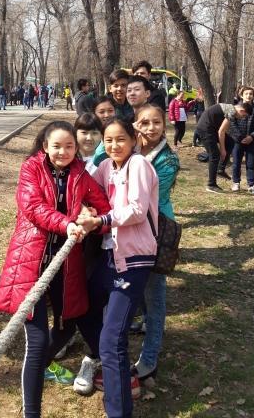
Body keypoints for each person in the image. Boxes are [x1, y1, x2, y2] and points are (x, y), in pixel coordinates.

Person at [0, 121, 110, 418]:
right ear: (45, 146)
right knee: (35, 342)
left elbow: (103, 206)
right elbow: (32, 207)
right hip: (30, 262)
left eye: (69, 146)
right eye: (56, 146)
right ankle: (31, 412)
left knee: (66, 324)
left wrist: (93, 218)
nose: (63, 152)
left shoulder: (81, 174)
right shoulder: (31, 169)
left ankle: (42, 365)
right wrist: (67, 223)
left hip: (66, 265)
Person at [74, 118, 158, 415]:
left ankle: (118, 408)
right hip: (110, 255)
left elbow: (137, 210)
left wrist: (100, 220)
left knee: (112, 341)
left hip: (134, 258)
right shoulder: (106, 167)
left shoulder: (139, 165)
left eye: (120, 139)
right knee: (82, 307)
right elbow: (87, 189)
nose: (114, 145)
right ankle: (117, 369)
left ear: (133, 139)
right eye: (108, 140)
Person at [132, 104, 180, 381]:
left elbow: (144, 196)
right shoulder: (129, 146)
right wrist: (128, 137)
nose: (151, 128)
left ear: (164, 125)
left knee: (155, 294)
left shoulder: (168, 161)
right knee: (139, 288)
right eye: (144, 122)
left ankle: (150, 358)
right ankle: (145, 322)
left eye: (156, 123)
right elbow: (101, 160)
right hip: (129, 230)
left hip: (156, 233)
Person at [196, 102, 252, 193]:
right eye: (243, 116)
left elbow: (225, 130)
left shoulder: (230, 108)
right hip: (205, 129)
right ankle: (211, 185)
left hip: (212, 129)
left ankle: (220, 169)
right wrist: (223, 149)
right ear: (242, 111)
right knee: (214, 155)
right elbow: (221, 132)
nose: (242, 118)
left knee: (230, 142)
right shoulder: (231, 111)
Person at [219, 88, 254, 195]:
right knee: (236, 163)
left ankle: (251, 184)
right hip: (237, 141)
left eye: (251, 94)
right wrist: (240, 137)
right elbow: (232, 123)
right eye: (246, 93)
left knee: (250, 163)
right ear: (242, 95)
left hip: (252, 141)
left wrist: (252, 136)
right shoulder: (236, 108)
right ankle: (236, 182)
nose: (248, 96)